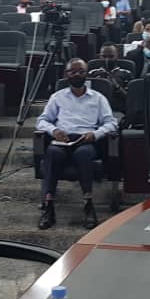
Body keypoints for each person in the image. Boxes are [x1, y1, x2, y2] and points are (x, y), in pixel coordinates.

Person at [35, 58, 118, 230]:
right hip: (62, 139)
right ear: (66, 74)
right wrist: (54, 131)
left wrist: (95, 134)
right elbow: (42, 121)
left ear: (86, 73)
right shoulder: (57, 97)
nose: (77, 74)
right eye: (73, 71)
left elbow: (111, 123)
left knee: (83, 154)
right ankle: (49, 205)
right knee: (53, 153)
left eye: (81, 71)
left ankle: (88, 204)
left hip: (86, 140)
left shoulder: (98, 98)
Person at [88, 43, 133, 111]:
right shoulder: (92, 73)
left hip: (117, 110)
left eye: (111, 56)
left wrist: (116, 86)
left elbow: (131, 99)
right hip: (95, 109)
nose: (107, 59)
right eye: (104, 56)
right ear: (99, 56)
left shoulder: (126, 73)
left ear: (117, 56)